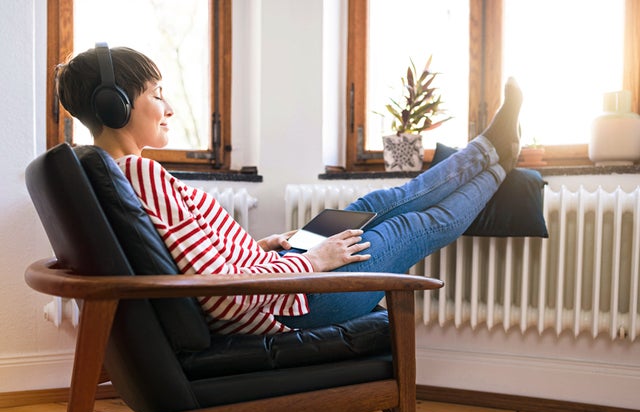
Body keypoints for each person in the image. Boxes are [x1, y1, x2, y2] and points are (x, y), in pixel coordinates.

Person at [56, 45, 522, 335]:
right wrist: (312, 262)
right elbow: (219, 294)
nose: (169, 106)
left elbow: (189, 262)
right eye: (157, 93)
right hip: (295, 300)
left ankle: (491, 152)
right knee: (411, 224)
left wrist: (262, 247)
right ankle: (500, 161)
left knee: (374, 205)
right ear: (114, 105)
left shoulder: (119, 174)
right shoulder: (139, 175)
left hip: (279, 274)